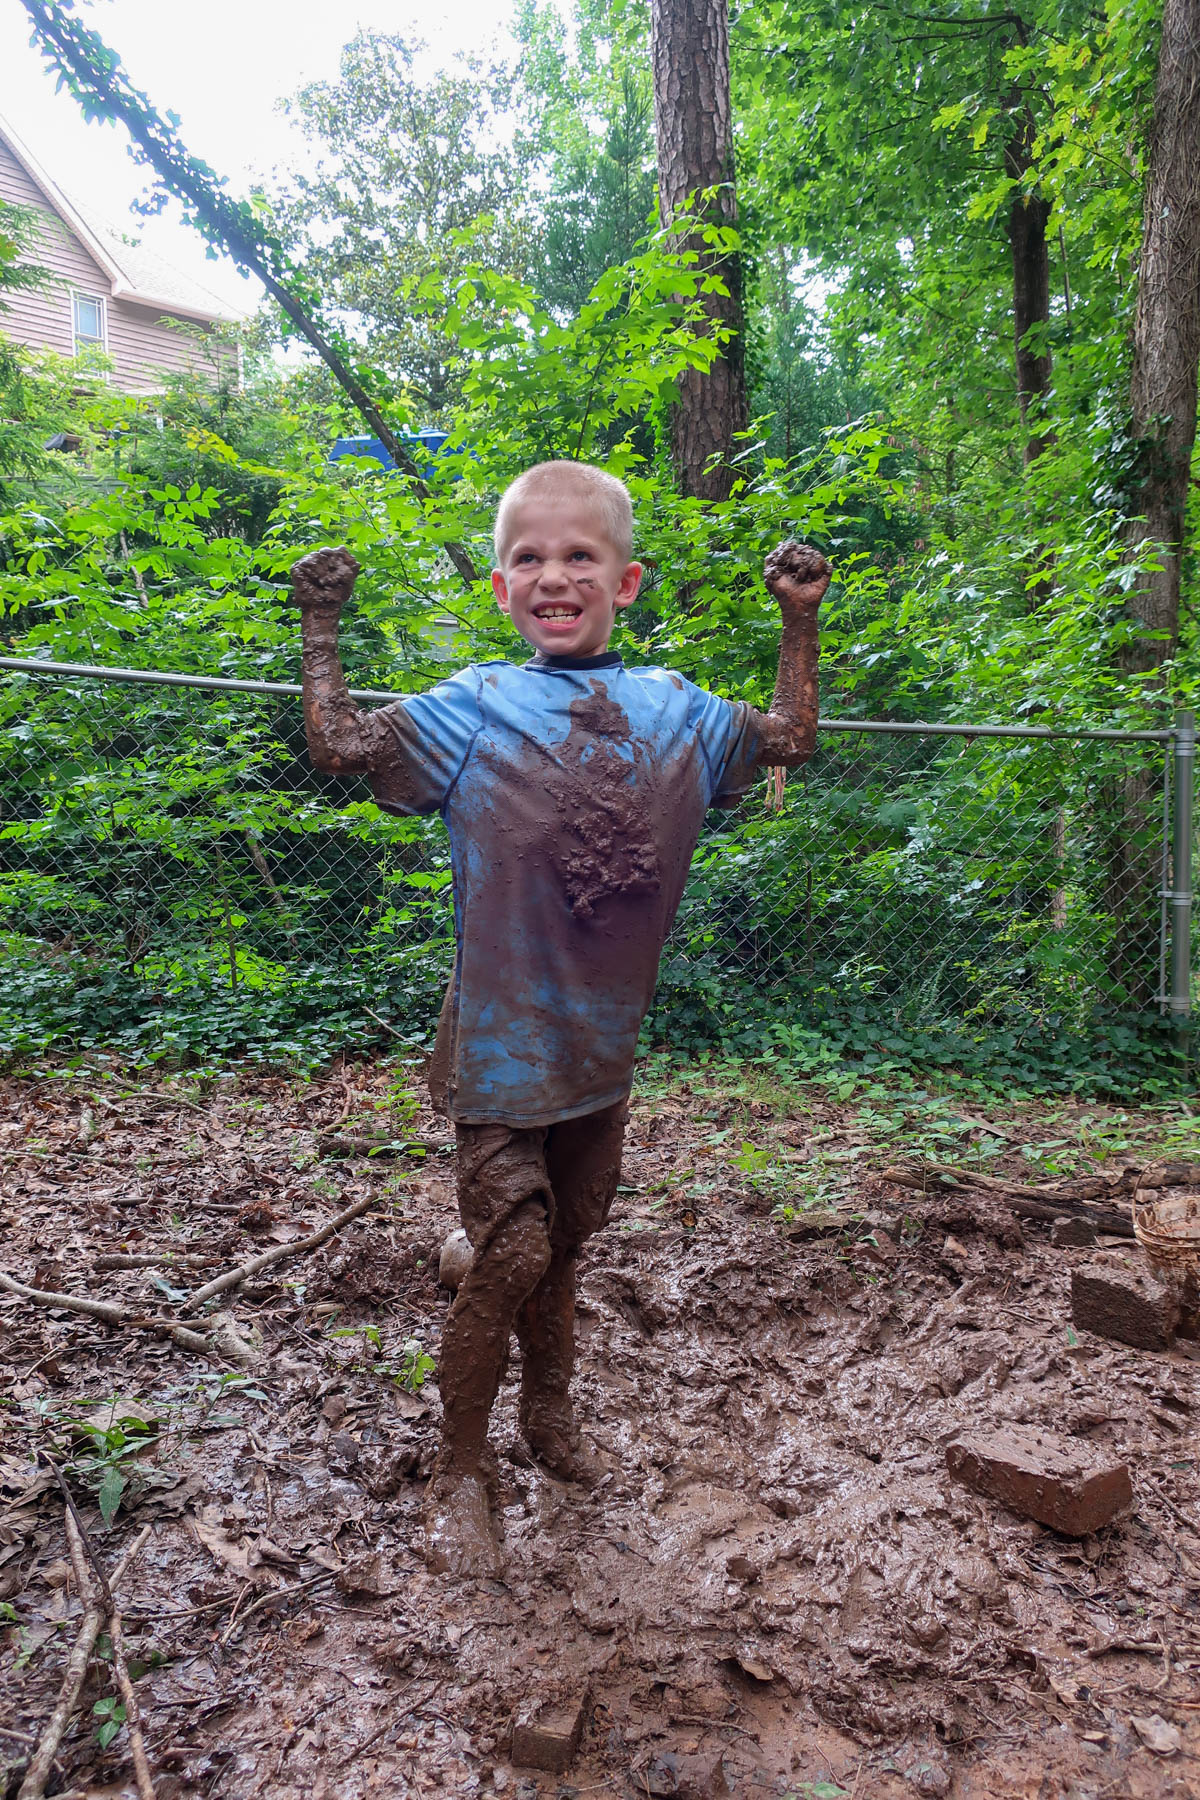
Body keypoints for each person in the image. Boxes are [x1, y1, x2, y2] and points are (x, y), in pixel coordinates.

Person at [290, 460, 829, 1576]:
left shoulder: (677, 710)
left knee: (566, 1244)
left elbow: (786, 737)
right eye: (529, 557)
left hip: (601, 1053)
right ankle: (460, 1466)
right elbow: (342, 749)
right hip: (497, 1050)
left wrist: (798, 620)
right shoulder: (474, 708)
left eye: (579, 555)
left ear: (624, 580)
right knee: (515, 1249)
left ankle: (548, 1418)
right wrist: (321, 622)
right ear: (500, 586)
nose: (554, 574)